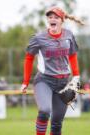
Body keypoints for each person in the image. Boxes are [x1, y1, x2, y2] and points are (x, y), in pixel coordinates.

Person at [20, 6, 84, 135]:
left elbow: (72, 55)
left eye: (56, 17)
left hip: (64, 82)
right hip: (44, 80)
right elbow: (29, 58)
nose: (52, 19)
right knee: (44, 110)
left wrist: (76, 76)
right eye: (50, 17)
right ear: (47, 20)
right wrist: (25, 82)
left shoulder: (69, 35)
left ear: (62, 20)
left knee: (57, 122)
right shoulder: (39, 37)